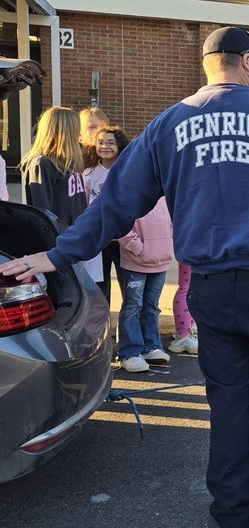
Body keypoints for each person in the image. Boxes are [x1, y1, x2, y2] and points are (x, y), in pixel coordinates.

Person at [1, 27, 249, 528]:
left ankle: (232, 515)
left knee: (229, 398)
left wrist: (55, 255)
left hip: (210, 286)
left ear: (209, 66)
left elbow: (116, 204)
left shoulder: (169, 125)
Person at [116, 197, 174, 373]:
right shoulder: (130, 194)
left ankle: (151, 346)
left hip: (162, 260)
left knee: (152, 305)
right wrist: (137, 247)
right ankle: (129, 352)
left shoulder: (166, 195)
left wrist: (169, 245)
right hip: (135, 261)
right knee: (133, 306)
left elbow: (174, 222)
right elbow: (120, 224)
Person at [83, 125, 130, 302]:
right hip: (98, 240)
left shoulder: (127, 173)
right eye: (100, 142)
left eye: (111, 143)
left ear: (120, 146)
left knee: (128, 289)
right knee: (100, 291)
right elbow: (83, 207)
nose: (105, 146)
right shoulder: (88, 174)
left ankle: (125, 329)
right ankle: (103, 327)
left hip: (123, 240)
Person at [20, 106, 88, 228]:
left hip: (77, 234)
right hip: (59, 239)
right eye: (76, 129)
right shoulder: (41, 163)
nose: (79, 134)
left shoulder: (70, 160)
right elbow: (42, 213)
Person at [169, 261, 199, 355]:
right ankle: (183, 334)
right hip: (193, 250)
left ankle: (188, 327)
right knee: (187, 286)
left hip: (190, 249)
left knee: (191, 286)